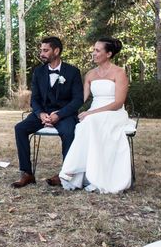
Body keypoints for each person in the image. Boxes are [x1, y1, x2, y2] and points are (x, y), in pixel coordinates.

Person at [55, 37, 135, 193]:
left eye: (97, 50)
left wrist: (91, 113)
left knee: (90, 121)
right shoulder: (90, 74)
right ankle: (80, 172)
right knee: (83, 125)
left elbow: (118, 102)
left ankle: (73, 170)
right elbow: (81, 99)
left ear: (109, 54)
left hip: (114, 113)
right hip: (93, 114)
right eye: (93, 50)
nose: (93, 53)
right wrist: (61, 111)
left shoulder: (119, 73)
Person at [11, 36, 83, 188]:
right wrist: (40, 114)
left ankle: (65, 174)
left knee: (69, 132)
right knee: (20, 128)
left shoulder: (73, 72)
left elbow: (78, 100)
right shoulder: (38, 72)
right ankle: (27, 173)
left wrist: (59, 114)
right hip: (42, 113)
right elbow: (34, 99)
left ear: (56, 51)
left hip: (64, 114)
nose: (41, 53)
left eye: (45, 50)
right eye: (41, 50)